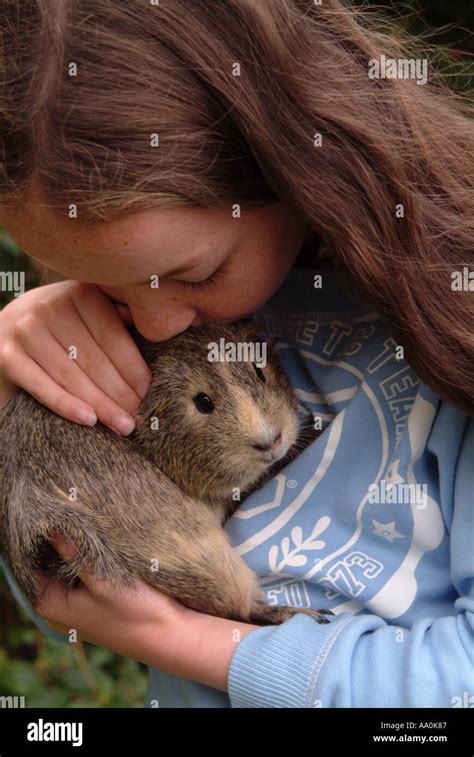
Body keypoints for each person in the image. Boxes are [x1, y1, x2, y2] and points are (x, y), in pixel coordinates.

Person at [0, 0, 472, 708]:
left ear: (284, 161)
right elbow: (72, 588)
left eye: (195, 274)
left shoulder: (453, 318)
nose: (155, 325)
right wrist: (16, 395)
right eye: (105, 286)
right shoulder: (119, 328)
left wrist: (188, 642)